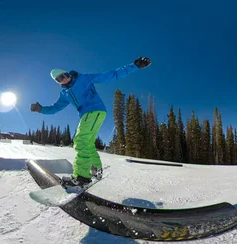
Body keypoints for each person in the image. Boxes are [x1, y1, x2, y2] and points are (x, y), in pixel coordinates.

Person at [30, 57, 152, 188]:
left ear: (68, 73)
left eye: (64, 75)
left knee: (80, 140)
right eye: (59, 79)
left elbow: (110, 75)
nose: (64, 79)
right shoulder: (65, 94)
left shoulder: (83, 79)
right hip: (88, 114)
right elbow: (55, 108)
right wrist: (41, 109)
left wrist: (134, 66)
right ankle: (96, 169)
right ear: (57, 82)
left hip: (94, 110)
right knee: (87, 143)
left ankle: (81, 177)